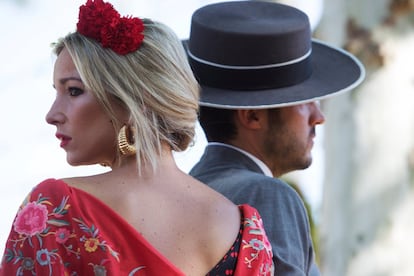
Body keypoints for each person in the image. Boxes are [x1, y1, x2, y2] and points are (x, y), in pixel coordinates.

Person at [0, 1, 274, 275]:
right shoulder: (247, 232)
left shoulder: (56, 209)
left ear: (135, 101)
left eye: (73, 91)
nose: (52, 115)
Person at [186, 1, 365, 275]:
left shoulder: (183, 191)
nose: (319, 116)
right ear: (253, 117)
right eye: (305, 101)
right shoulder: (267, 194)